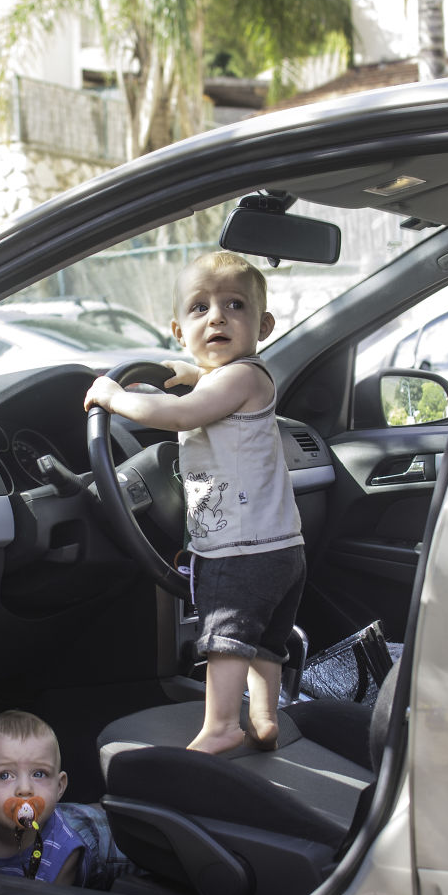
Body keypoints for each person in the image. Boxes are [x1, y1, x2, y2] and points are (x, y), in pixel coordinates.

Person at [84, 250, 305, 756]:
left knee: (225, 637)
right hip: (281, 548)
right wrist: (192, 371)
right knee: (265, 639)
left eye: (233, 305)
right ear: (180, 331)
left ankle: (222, 724)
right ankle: (265, 717)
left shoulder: (243, 376)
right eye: (200, 308)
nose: (217, 317)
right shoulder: (236, 378)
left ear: (263, 324)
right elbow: (206, 391)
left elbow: (181, 416)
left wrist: (114, 398)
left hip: (240, 550)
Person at [0, 709, 127, 887]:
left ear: (59, 786)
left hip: (106, 843)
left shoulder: (65, 851)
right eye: (4, 775)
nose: (25, 789)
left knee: (124, 830)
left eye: (39, 774)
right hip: (58, 817)